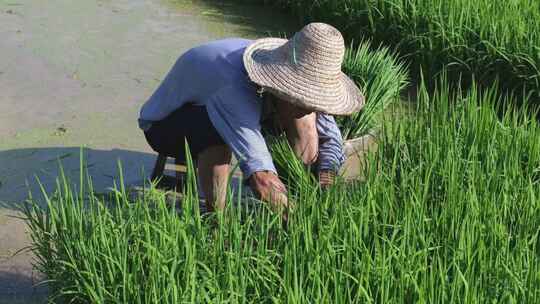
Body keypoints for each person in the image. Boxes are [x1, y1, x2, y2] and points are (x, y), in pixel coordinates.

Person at [138, 23, 365, 213]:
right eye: (303, 98)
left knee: (306, 121)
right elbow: (262, 180)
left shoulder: (304, 76)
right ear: (284, 86)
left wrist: (326, 179)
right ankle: (216, 217)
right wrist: (304, 224)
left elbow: (331, 140)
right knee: (217, 133)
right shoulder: (234, 90)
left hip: (225, 102)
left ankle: (298, 188)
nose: (309, 106)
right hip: (165, 125)